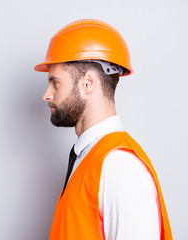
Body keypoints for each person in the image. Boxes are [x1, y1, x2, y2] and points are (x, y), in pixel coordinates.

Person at [34, 19, 173, 240]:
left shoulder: (119, 167)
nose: (46, 94)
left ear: (88, 83)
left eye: (55, 82)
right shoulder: (89, 158)